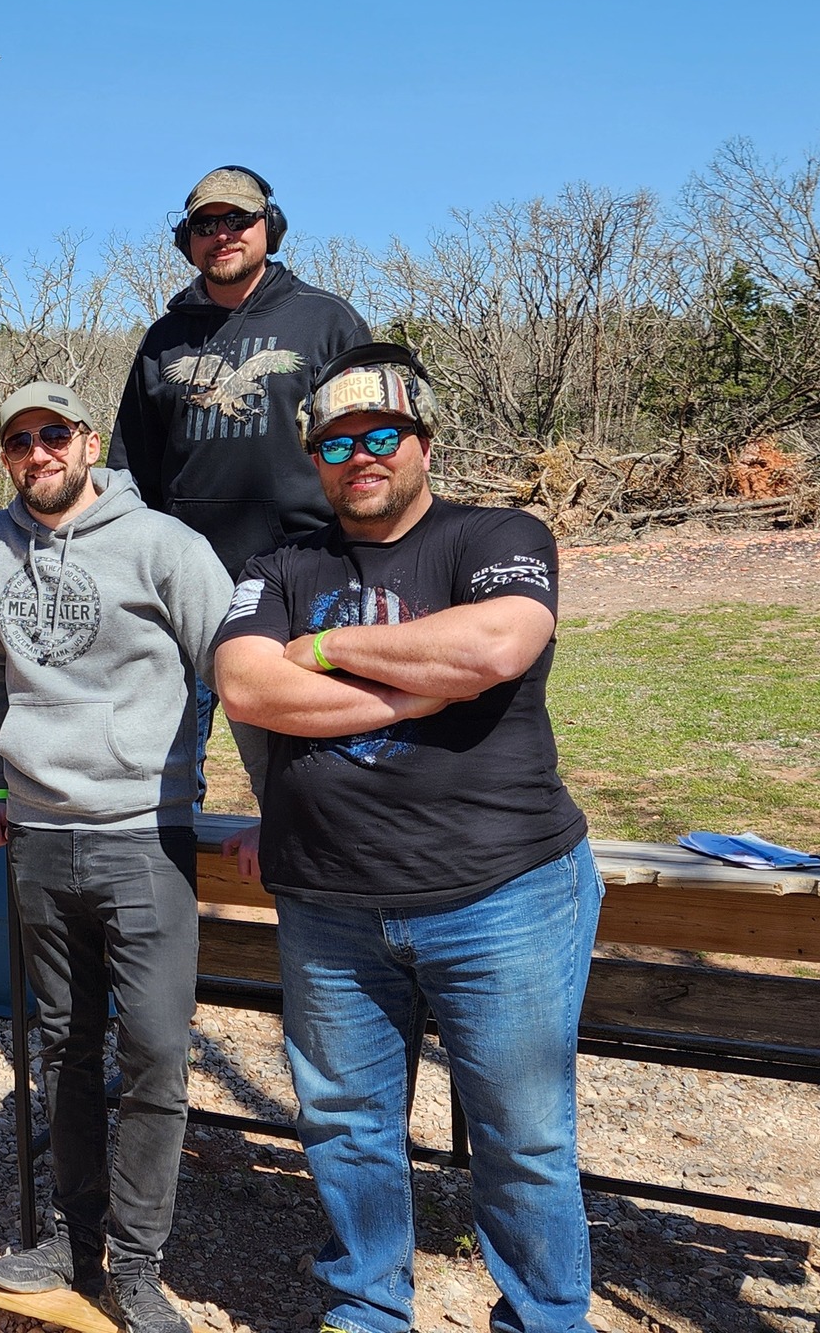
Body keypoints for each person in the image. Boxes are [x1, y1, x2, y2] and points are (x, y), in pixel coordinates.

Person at [213, 344, 599, 1333]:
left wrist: (328, 653)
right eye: (334, 441)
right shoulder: (279, 564)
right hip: (328, 904)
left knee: (521, 1138)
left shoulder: (495, 534)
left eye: (380, 434)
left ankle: (544, 1320)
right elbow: (247, 687)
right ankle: (365, 1313)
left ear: (422, 441)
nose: (358, 456)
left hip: (499, 895)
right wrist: (410, 688)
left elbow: (495, 645)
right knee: (345, 1129)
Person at [0, 382, 233, 1333]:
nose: (38, 453)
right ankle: (71, 1244)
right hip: (38, 836)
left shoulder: (164, 545)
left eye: (54, 435)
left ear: (86, 442)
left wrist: (274, 804)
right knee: (63, 1048)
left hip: (142, 836)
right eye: (18, 441)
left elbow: (234, 667)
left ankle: (140, 1263)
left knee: (156, 1053)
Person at [109, 166, 369, 797]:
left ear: (268, 227)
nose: (221, 235)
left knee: (312, 769)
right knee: (163, 775)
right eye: (204, 225)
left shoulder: (326, 321)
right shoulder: (163, 339)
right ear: (186, 240)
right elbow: (131, 467)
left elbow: (369, 449)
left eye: (237, 220)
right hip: (183, 585)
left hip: (300, 577)